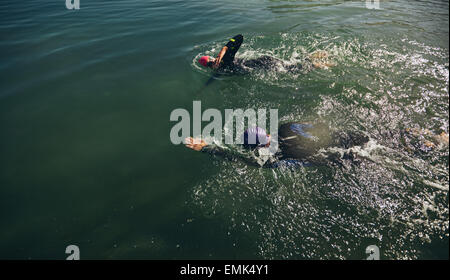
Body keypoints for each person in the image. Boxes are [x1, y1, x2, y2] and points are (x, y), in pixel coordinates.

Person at [184, 122, 369, 168]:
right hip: (348, 138)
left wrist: (207, 148)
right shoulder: (287, 127)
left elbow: (239, 159)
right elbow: (320, 126)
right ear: (267, 132)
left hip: (344, 158)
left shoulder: (275, 158)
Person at [198, 34, 335, 74]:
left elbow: (239, 37)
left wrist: (223, 51)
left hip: (265, 64)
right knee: (291, 65)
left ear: (213, 58)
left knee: (294, 69)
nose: (212, 65)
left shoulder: (225, 62)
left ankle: (316, 63)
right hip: (263, 62)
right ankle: (312, 57)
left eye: (211, 62)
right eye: (210, 65)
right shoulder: (223, 68)